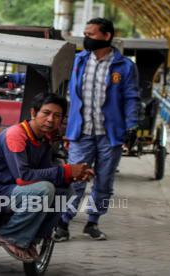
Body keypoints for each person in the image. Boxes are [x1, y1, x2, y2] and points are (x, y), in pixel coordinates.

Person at [53, 18, 140, 242]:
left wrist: (132, 125)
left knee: (104, 180)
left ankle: (93, 222)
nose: (86, 38)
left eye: (91, 34)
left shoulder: (125, 67)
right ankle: (63, 223)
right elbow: (52, 77)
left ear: (106, 36)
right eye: (85, 33)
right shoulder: (78, 61)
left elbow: (131, 98)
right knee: (75, 179)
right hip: (81, 133)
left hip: (110, 136)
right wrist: (12, 78)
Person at [0, 93, 93, 262]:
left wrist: (74, 176)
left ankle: (33, 237)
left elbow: (45, 172)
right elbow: (23, 177)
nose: (51, 120)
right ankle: (9, 235)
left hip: (16, 193)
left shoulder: (44, 139)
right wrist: (66, 171)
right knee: (45, 189)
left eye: (57, 116)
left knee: (65, 191)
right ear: (33, 113)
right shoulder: (16, 134)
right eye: (46, 113)